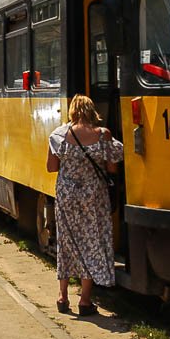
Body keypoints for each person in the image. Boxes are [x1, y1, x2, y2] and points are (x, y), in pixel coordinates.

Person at [46, 95, 123, 316]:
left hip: (67, 196)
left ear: (72, 111)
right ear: (92, 110)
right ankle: (85, 300)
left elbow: (51, 167)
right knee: (90, 242)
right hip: (93, 197)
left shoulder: (58, 136)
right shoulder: (103, 134)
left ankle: (62, 296)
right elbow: (112, 169)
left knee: (67, 242)